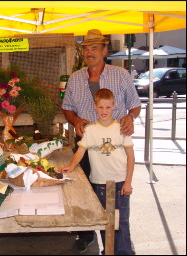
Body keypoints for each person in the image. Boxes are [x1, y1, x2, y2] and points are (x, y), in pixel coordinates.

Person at [61, 28, 141, 253]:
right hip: (86, 146)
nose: (89, 52)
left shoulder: (121, 75)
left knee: (115, 202)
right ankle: (86, 234)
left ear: (105, 50)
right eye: (86, 48)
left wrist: (130, 116)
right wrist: (75, 119)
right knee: (86, 194)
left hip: (114, 149)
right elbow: (67, 108)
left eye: (94, 48)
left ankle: (118, 245)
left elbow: (135, 105)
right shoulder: (76, 78)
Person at [60, 88, 135, 255]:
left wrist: (128, 182)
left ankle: (124, 252)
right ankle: (108, 251)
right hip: (100, 182)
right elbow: (81, 150)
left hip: (121, 181)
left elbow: (131, 157)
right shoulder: (91, 130)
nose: (104, 111)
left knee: (121, 220)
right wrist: (71, 166)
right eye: (101, 107)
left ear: (114, 107)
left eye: (108, 107)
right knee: (105, 221)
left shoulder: (121, 129)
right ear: (95, 106)